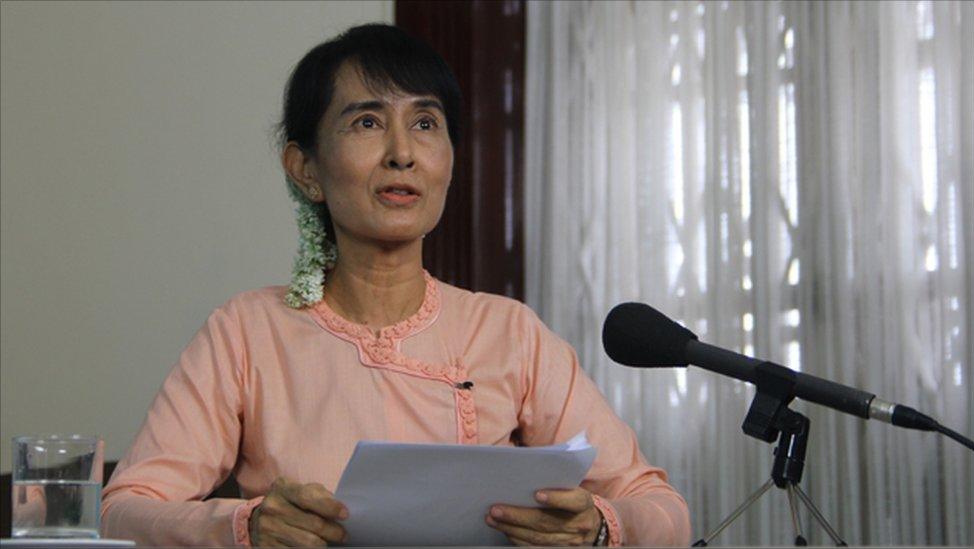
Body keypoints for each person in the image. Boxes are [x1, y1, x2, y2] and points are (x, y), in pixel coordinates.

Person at [100, 24, 691, 547]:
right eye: (367, 122)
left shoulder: (509, 332)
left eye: (426, 123)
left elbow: (663, 511)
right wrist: (241, 527)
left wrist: (596, 527)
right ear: (306, 170)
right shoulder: (247, 332)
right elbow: (122, 512)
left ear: (450, 161)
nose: (402, 153)